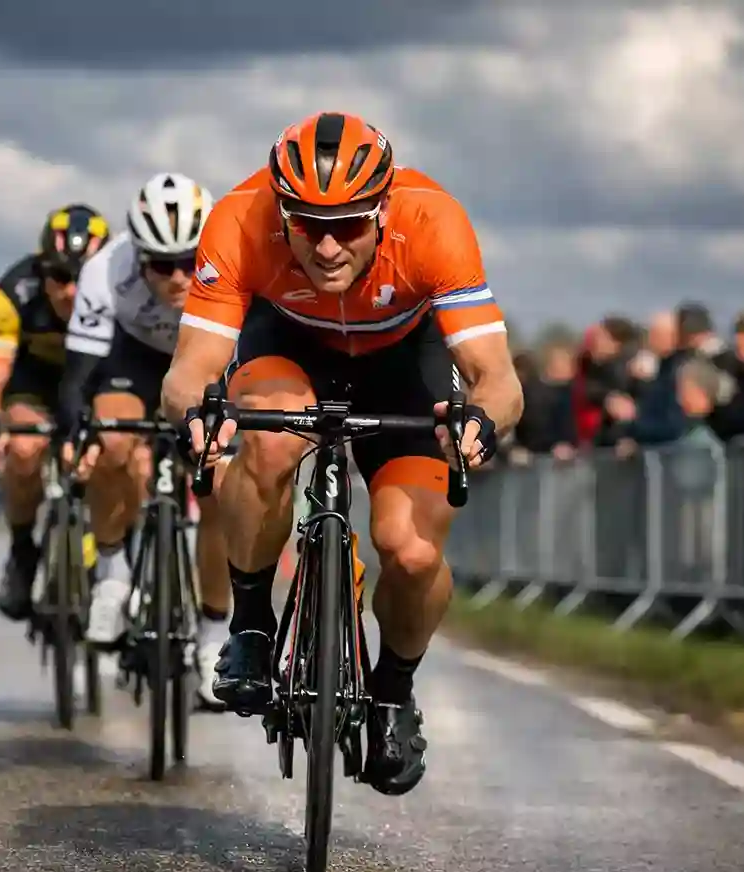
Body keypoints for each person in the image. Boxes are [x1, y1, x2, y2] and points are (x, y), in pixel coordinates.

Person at [161, 111, 522, 795]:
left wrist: (481, 420)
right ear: (281, 211)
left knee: (411, 551)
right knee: (266, 440)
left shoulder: (434, 220)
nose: (327, 247)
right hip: (288, 343)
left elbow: (498, 377)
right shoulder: (239, 218)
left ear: (384, 208)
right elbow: (188, 370)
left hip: (401, 360)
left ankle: (392, 692)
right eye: (307, 225)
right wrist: (197, 417)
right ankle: (251, 626)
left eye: (350, 225)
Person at [55, 173, 233, 708]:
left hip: (206, 354)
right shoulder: (104, 271)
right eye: (162, 265)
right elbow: (78, 376)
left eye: (188, 261)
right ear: (137, 255)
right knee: (110, 440)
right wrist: (74, 434)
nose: (178, 277)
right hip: (132, 359)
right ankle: (111, 573)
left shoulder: (232, 265)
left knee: (222, 485)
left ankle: (212, 638)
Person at [0, 204, 111, 620]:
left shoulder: (121, 287)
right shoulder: (14, 292)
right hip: (34, 383)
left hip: (94, 381)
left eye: (81, 277)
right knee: (25, 448)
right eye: (59, 277)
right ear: (40, 269)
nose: (69, 291)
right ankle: (21, 551)